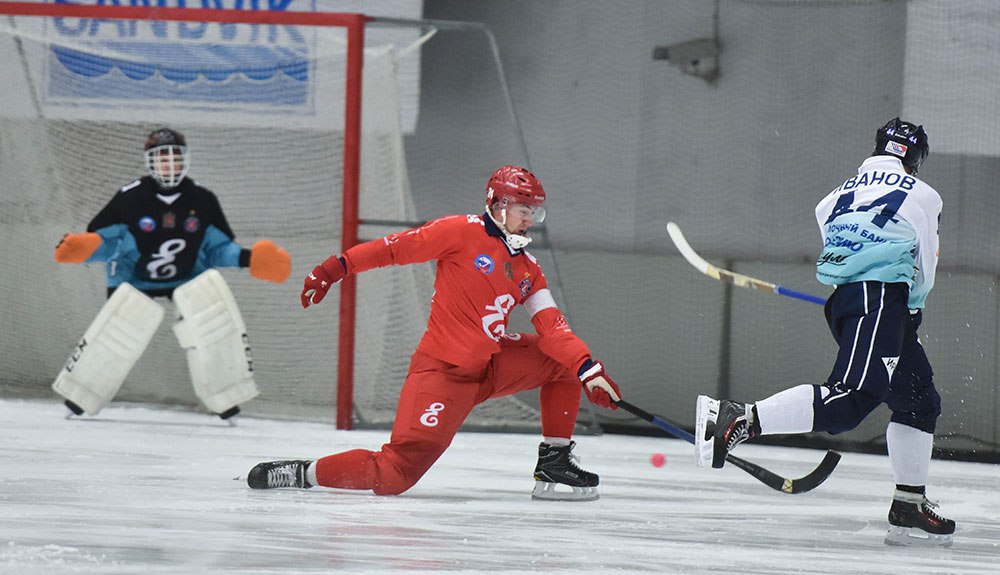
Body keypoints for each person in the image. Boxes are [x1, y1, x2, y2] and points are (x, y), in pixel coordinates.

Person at [246, 165, 622, 501]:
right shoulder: (460, 231)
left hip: (489, 367)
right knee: (394, 475)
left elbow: (553, 328)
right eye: (524, 208)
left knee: (563, 363)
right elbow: (393, 250)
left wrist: (590, 371)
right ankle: (300, 472)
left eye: (534, 210)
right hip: (442, 375)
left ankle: (554, 461)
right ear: (497, 203)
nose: (530, 218)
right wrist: (335, 268)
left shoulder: (528, 267)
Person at [695, 118, 954, 547]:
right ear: (916, 157)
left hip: (848, 302)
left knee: (918, 401)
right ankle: (740, 417)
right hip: (885, 302)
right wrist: (911, 309)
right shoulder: (925, 195)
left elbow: (840, 258)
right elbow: (925, 265)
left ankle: (909, 503)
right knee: (851, 397)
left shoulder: (831, 199)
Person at [52, 127, 291, 421]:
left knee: (211, 331)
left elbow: (217, 248)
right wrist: (88, 247)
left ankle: (225, 397)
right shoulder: (130, 198)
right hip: (133, 279)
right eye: (161, 159)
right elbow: (110, 242)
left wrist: (248, 258)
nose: (169, 165)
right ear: (150, 162)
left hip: (187, 277)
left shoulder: (202, 199)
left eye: (175, 158)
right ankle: (81, 394)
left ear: (185, 160)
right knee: (115, 335)